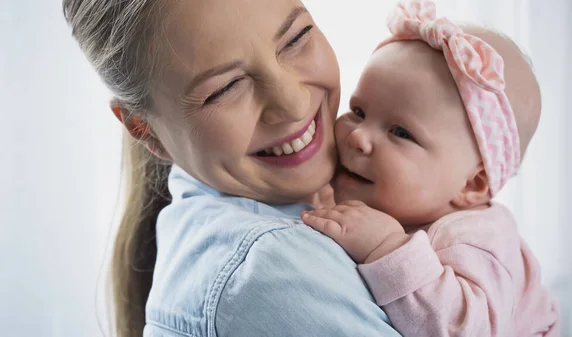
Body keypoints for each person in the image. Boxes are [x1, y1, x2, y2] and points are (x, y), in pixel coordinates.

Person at [63, 0, 408, 336]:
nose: (293, 102)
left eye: (295, 38)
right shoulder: (271, 272)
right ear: (146, 131)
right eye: (225, 88)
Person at [302, 1, 560, 336]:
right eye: (359, 110)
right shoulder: (375, 193)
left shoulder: (474, 241)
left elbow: (464, 330)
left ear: (472, 184)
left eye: (400, 132)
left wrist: (386, 248)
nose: (358, 137)